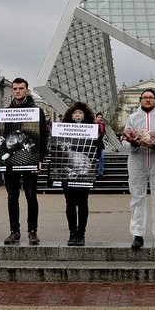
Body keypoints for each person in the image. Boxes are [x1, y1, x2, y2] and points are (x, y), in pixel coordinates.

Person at [122, 88, 155, 249]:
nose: (148, 100)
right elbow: (124, 141)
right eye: (145, 97)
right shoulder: (132, 117)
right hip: (138, 160)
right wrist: (133, 142)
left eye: (151, 97)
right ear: (141, 100)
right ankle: (138, 234)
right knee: (137, 197)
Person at [3, 77, 48, 246]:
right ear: (12, 91)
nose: (18, 91)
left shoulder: (37, 111)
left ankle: (32, 231)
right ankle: (14, 231)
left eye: (21, 88)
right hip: (11, 161)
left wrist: (40, 158)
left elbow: (43, 137)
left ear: (27, 90)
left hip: (31, 158)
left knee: (31, 196)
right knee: (12, 197)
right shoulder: (6, 112)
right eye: (15, 89)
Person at [61, 102, 97, 246]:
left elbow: (99, 148)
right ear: (70, 115)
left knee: (83, 203)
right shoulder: (63, 131)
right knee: (69, 203)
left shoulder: (91, 130)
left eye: (80, 113)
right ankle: (72, 232)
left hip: (83, 170)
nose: (77, 115)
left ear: (85, 115)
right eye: (75, 113)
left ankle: (81, 232)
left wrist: (98, 137)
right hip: (67, 171)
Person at [95, 112, 106, 178]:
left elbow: (103, 133)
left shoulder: (102, 125)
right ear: (96, 118)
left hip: (100, 144)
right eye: (98, 117)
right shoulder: (93, 125)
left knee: (101, 158)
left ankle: (100, 173)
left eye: (101, 117)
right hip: (94, 144)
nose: (100, 118)